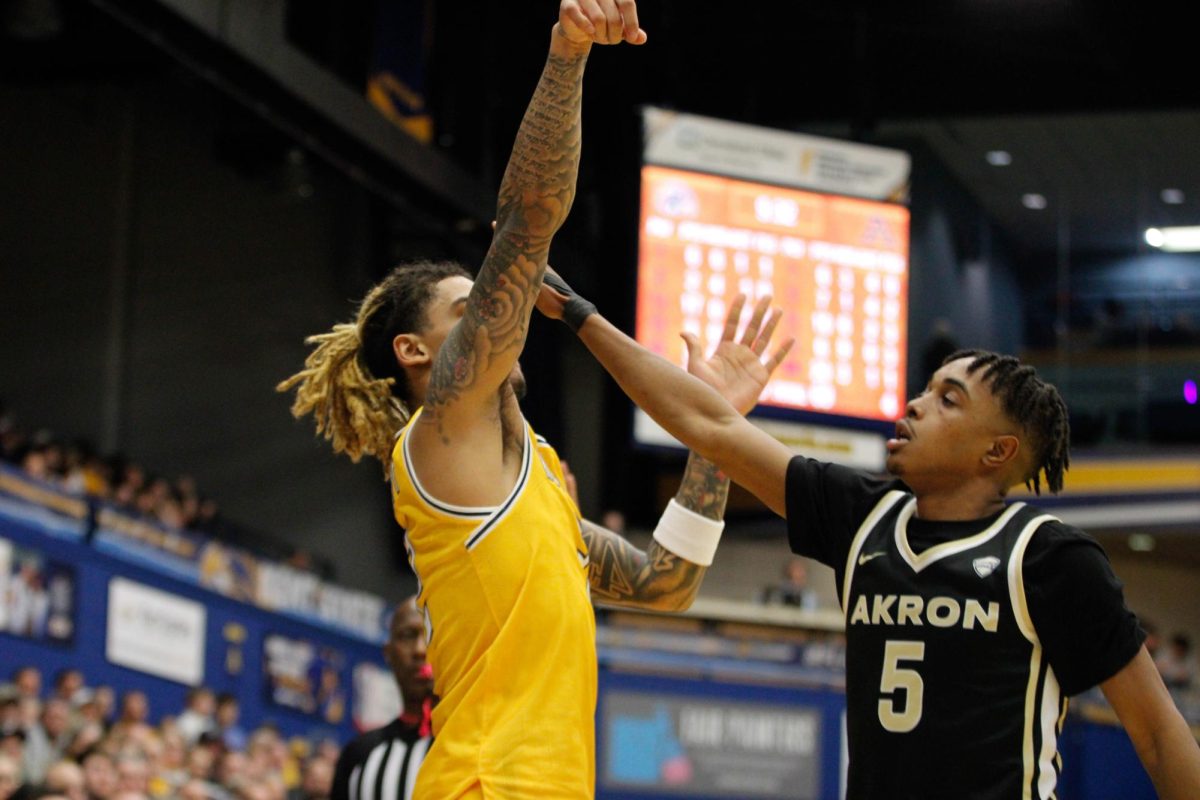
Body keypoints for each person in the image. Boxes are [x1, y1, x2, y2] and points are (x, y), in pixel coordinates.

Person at [277, 3, 791, 796]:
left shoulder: (536, 478)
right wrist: (567, 56)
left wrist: (713, 438)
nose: (495, 307)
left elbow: (666, 582)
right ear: (416, 353)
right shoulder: (441, 430)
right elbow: (526, 222)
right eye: (468, 307)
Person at [535, 272, 1200, 799]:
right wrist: (579, 314)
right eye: (927, 388)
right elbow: (706, 427)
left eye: (948, 399)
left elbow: (1158, 737)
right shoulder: (862, 516)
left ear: (996, 453)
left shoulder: (1050, 558)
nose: (915, 404)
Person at [331, 599, 434, 800]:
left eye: (431, 635)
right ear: (388, 653)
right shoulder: (359, 754)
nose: (420, 650)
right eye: (408, 635)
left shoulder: (475, 746)